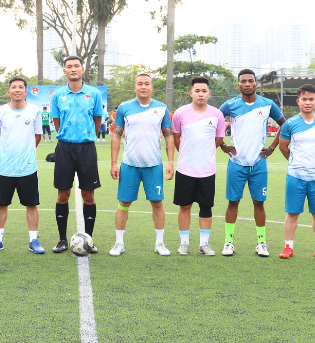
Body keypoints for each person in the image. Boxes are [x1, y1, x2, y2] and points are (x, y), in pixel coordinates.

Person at [219, 69, 286, 257]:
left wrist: (272, 147)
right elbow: (215, 122)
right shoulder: (230, 105)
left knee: (259, 203)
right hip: (236, 162)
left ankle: (261, 243)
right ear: (238, 84)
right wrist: (222, 144)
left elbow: (285, 125)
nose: (247, 84)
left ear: (256, 83)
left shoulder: (268, 104)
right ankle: (229, 242)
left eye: (250, 80)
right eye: (243, 81)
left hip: (258, 163)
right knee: (233, 202)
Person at [109, 73, 175, 256]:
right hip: (129, 164)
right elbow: (116, 135)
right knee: (124, 203)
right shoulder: (124, 107)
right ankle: (119, 243)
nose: (143, 87)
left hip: (154, 165)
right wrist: (114, 163)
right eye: (140, 84)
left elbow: (169, 136)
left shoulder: (161, 108)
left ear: (152, 87)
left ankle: (160, 243)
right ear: (135, 87)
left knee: (157, 203)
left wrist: (170, 162)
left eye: (147, 84)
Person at [0, 77, 46, 254]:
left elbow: (37, 136)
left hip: (28, 167)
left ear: (26, 91)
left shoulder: (34, 111)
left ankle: (34, 240)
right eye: (13, 87)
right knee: (1, 204)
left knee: (31, 204)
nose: (17, 90)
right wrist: (8, 153)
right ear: (8, 91)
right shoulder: (0, 111)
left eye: (20, 87)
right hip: (5, 167)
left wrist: (26, 153)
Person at [49, 55, 104, 253]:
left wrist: (87, 137)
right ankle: (62, 240)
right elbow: (57, 122)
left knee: (88, 195)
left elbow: (97, 120)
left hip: (87, 149)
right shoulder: (57, 95)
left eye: (76, 66)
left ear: (82, 69)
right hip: (64, 148)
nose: (73, 69)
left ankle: (89, 240)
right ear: (64, 71)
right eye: (69, 66)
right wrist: (68, 137)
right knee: (62, 194)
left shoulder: (94, 93)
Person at [277, 84, 315, 260]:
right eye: (304, 99)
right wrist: (296, 162)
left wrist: (314, 161)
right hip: (295, 175)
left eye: (311, 99)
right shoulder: (290, 124)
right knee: (292, 212)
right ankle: (288, 247)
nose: (307, 102)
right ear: (298, 101)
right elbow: (283, 146)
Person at [171, 76, 227, 256]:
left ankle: (204, 244)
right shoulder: (180, 113)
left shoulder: (217, 114)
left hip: (207, 170)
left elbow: (219, 139)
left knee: (206, 207)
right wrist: (188, 153)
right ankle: (184, 243)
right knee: (184, 206)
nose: (200, 94)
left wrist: (204, 153)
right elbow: (176, 138)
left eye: (204, 91)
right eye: (197, 91)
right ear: (191, 93)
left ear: (209, 93)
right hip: (185, 169)